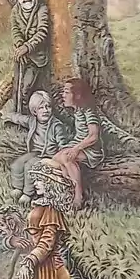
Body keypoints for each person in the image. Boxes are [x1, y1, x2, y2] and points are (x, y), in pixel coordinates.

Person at [5, 90, 70, 202]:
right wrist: (8, 116)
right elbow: (20, 119)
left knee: (30, 166)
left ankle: (28, 193)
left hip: (49, 155)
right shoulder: (33, 121)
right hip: (36, 152)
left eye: (48, 107)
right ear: (34, 111)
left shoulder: (56, 126)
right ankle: (17, 187)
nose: (45, 110)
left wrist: (59, 160)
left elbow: (63, 145)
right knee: (17, 164)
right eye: (41, 108)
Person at [51, 78, 104, 210]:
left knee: (66, 157)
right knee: (56, 158)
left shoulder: (89, 112)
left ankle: (78, 194)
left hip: (91, 149)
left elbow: (93, 136)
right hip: (78, 144)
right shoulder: (78, 111)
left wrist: (76, 149)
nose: (63, 95)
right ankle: (68, 182)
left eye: (66, 92)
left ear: (78, 95)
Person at [9, 0, 51, 116]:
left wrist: (26, 47)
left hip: (37, 58)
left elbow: (42, 32)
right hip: (21, 57)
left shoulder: (41, 9)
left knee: (26, 89)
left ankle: (29, 118)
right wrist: (20, 45)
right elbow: (15, 31)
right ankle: (18, 115)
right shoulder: (15, 11)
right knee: (18, 88)